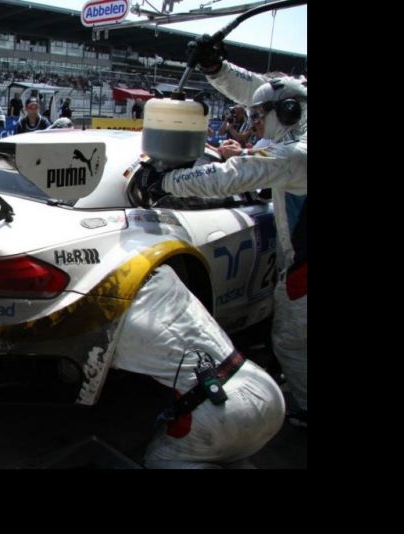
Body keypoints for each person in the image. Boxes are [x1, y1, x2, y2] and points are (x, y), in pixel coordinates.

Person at [136, 39, 308, 428]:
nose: (254, 124)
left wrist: (166, 181)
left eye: (259, 117)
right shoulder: (297, 119)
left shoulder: (297, 153)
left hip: (305, 268)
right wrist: (217, 68)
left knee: (291, 341)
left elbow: (232, 176)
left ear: (287, 113)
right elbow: (265, 90)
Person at [113, 265, 285, 468]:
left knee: (158, 460)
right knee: (230, 452)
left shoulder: (117, 319)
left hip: (220, 410)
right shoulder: (166, 276)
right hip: (264, 387)